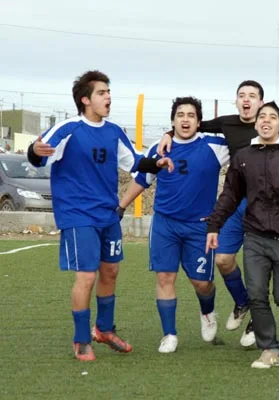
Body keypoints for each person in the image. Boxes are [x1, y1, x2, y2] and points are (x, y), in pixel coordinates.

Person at [27, 70, 173, 361]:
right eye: (102, 93)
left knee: (111, 271)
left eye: (108, 92)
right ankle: (81, 340)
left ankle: (104, 330)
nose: (108, 97)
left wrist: (157, 163)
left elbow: (134, 162)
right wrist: (33, 149)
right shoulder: (69, 128)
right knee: (86, 276)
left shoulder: (114, 131)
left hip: (107, 214)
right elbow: (39, 156)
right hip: (77, 215)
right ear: (85, 100)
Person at [157, 81, 279, 347]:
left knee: (271, 279)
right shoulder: (228, 123)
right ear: (236, 101)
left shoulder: (273, 124)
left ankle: (258, 318)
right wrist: (167, 133)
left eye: (252, 96)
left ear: (262, 103)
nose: (246, 100)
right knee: (222, 260)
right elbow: (193, 125)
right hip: (238, 200)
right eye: (242, 95)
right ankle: (243, 303)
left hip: (267, 208)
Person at [206, 101, 279, 369]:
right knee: (257, 295)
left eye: (272, 117)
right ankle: (270, 349)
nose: (266, 120)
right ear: (256, 123)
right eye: (262, 116)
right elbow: (230, 195)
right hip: (255, 236)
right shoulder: (243, 156)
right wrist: (214, 226)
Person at [119, 97, 229, 353]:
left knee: (201, 283)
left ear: (199, 122)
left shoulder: (215, 146)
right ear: (173, 120)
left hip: (200, 227)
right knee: (165, 276)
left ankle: (207, 312)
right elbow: (142, 179)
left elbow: (244, 140)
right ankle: (169, 334)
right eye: (180, 115)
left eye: (191, 115)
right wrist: (121, 206)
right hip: (165, 224)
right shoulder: (161, 149)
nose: (186, 119)